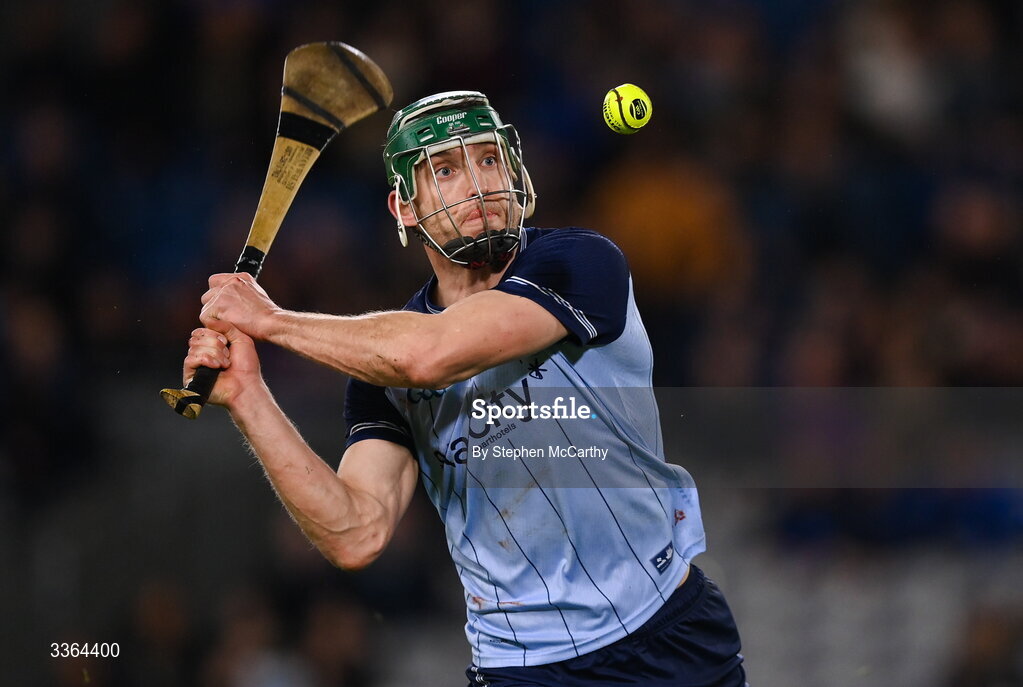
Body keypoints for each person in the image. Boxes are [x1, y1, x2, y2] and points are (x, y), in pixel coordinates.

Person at [184, 91, 748, 686]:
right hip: (521, 669)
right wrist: (248, 398)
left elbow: (430, 355)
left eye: (487, 159)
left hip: (666, 635)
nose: (477, 184)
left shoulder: (578, 264)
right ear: (404, 208)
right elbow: (356, 532)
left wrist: (270, 321)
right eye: (446, 170)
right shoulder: (382, 370)